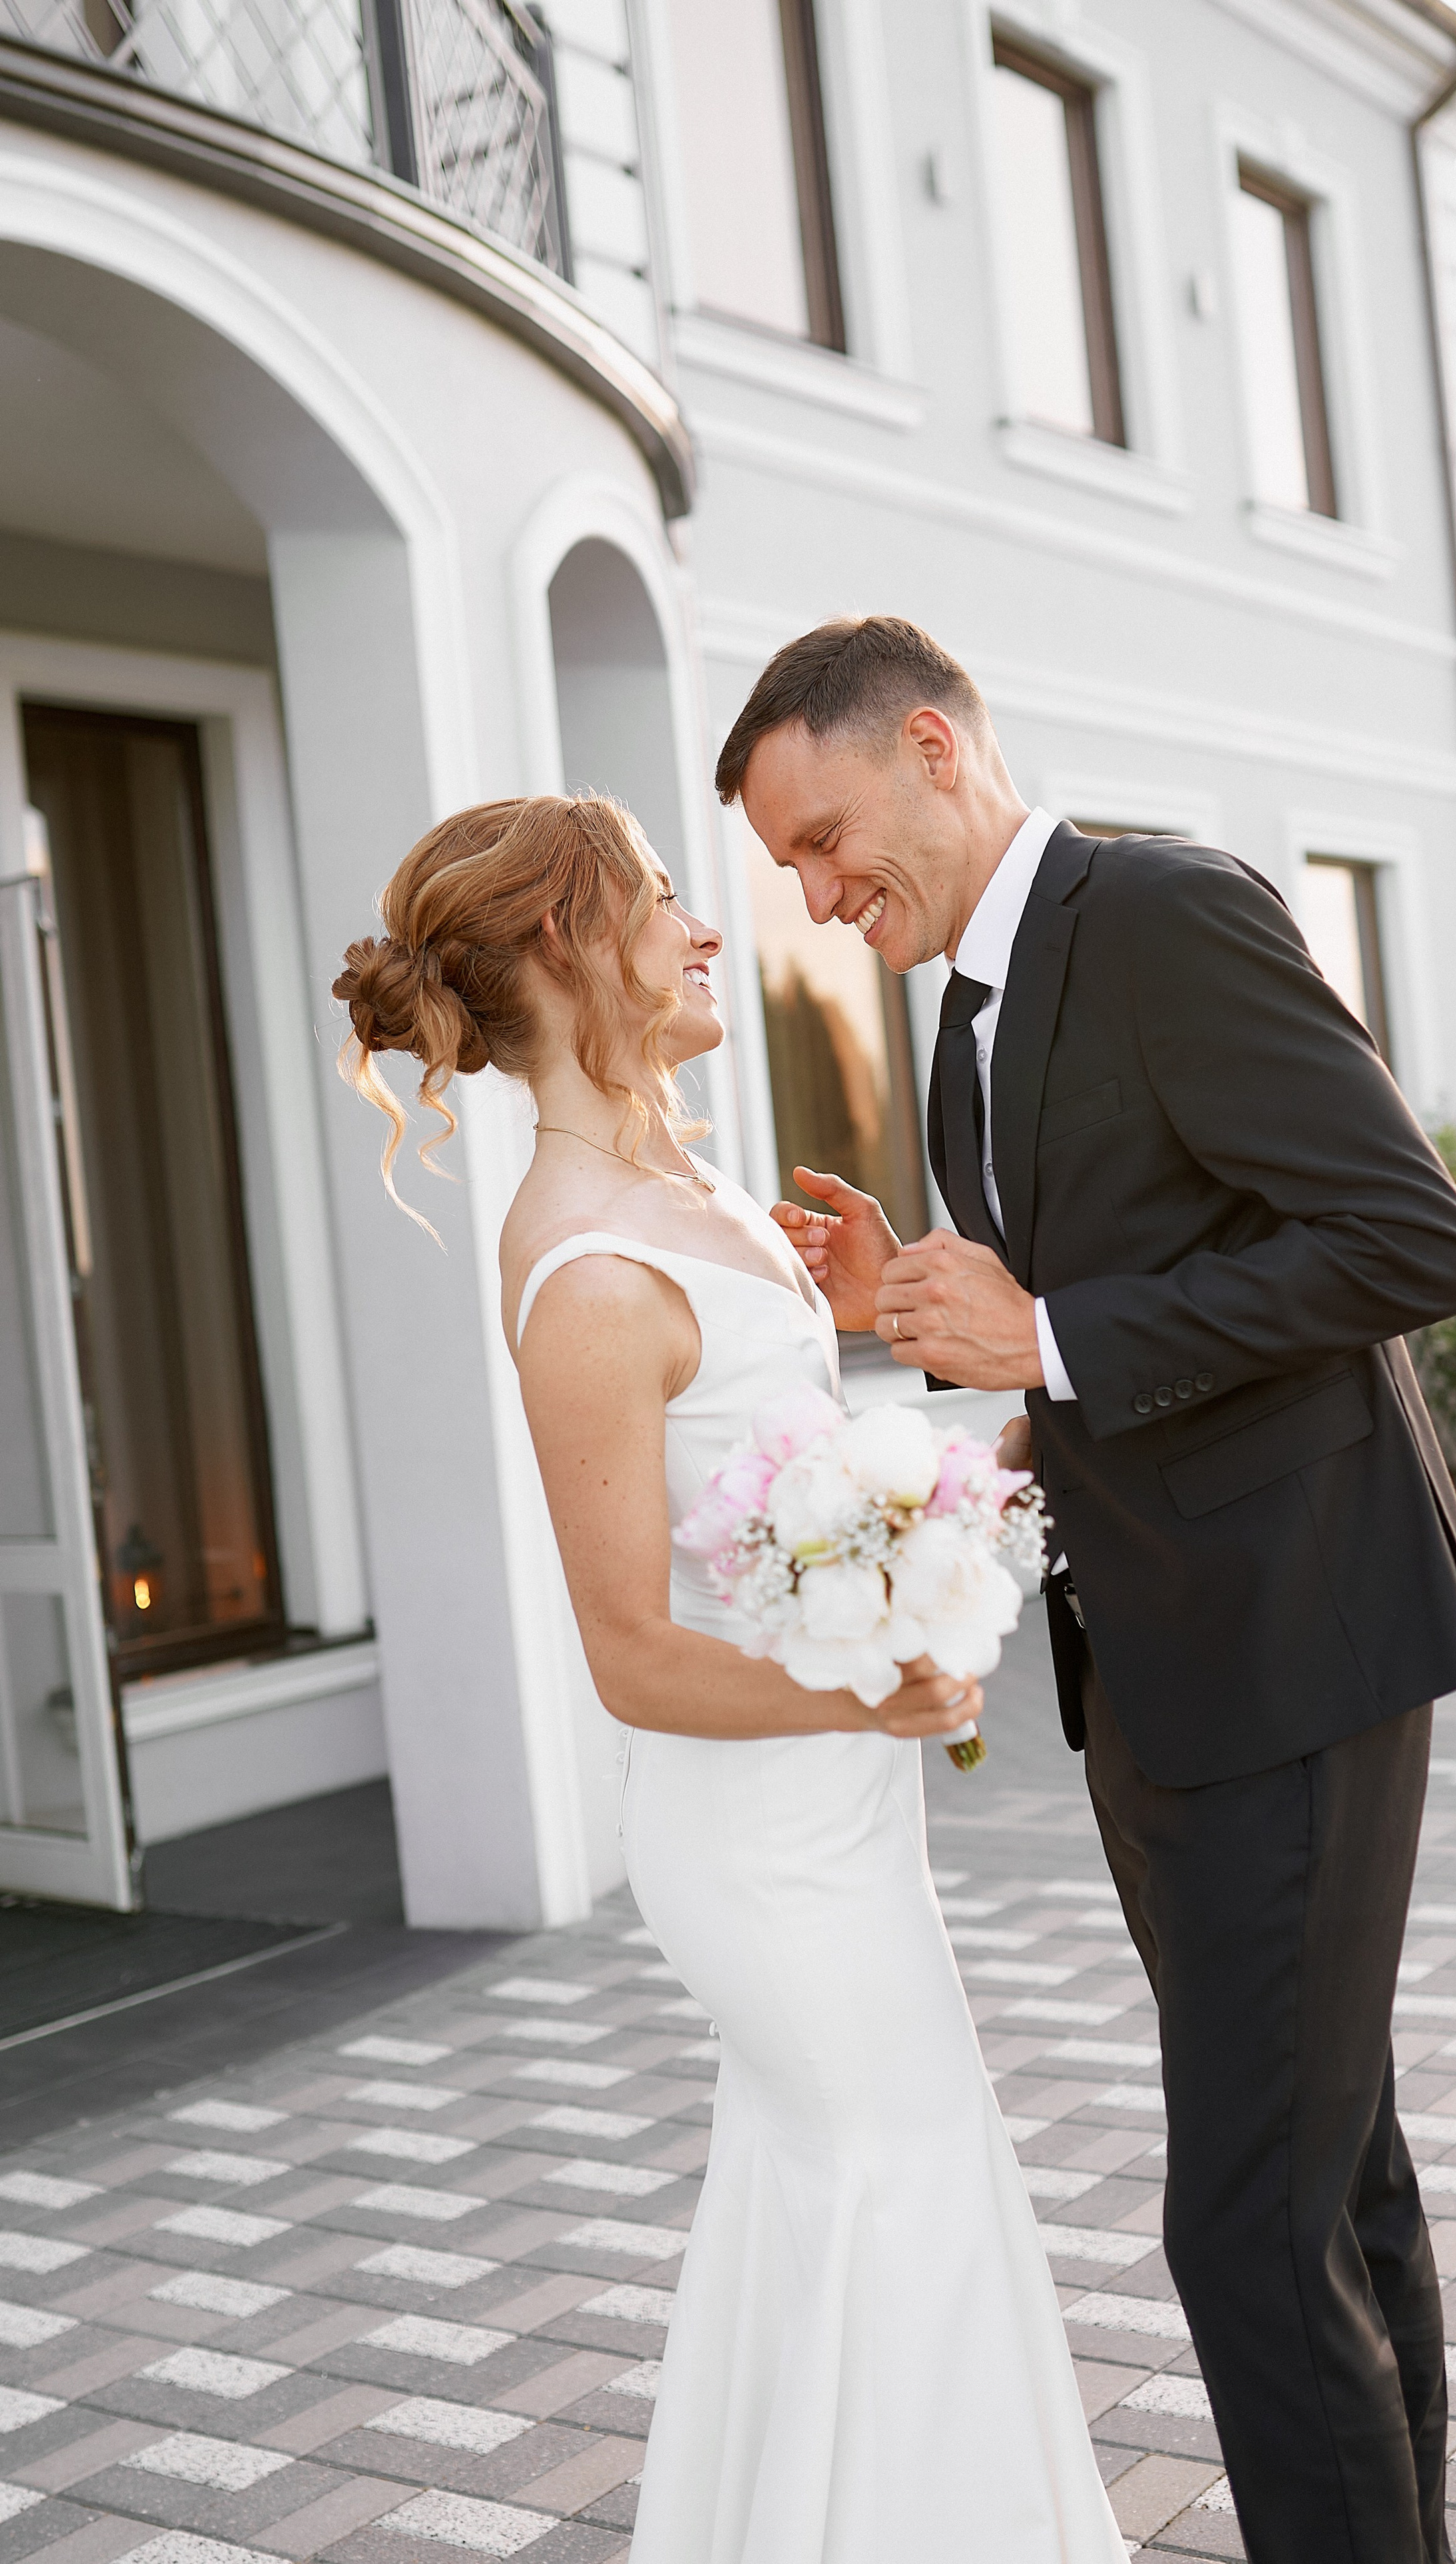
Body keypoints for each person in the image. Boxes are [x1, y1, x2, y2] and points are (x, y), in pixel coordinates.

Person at [724, 616, 1456, 2564]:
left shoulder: (1159, 915)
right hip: (1157, 1676)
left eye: (826, 842)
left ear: (931, 746)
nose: (819, 902)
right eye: (790, 877)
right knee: (1331, 2188)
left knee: (1242, 2221)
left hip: (1300, 1649)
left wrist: (1052, 1331)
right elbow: (1090, 1319)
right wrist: (942, 1322)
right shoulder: (964, 1019)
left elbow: (1410, 1238)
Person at [332, 793, 1127, 2564]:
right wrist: (877, 1696)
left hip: (839, 1825)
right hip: (762, 1846)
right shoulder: (592, 1273)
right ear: (564, 947)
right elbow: (631, 1654)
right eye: (670, 904)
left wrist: (920, 1408)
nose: (711, 934)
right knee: (897, 2190)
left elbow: (765, 1493)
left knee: (848, 2195)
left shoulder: (695, 1190)